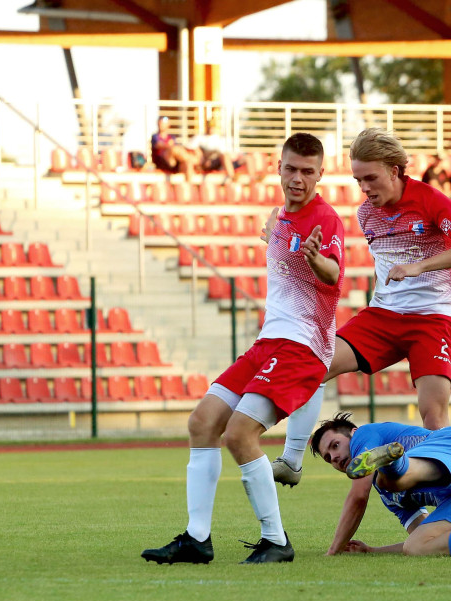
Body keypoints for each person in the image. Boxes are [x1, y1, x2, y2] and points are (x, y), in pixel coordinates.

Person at [267, 127, 451, 549]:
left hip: (432, 319)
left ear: (397, 170)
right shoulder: (366, 214)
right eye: (357, 180)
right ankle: (293, 458)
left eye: (371, 179)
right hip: (383, 316)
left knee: (433, 418)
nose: (364, 189)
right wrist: (275, 225)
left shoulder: (432, 201)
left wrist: (421, 268)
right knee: (314, 365)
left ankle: (444, 507)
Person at [142, 132, 345, 565]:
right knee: (202, 423)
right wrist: (273, 236)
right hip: (268, 342)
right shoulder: (281, 219)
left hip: (301, 347)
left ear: (320, 174)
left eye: (308, 171)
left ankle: (276, 540)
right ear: (278, 167)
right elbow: (284, 247)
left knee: (239, 433)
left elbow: (332, 274)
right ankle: (197, 539)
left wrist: (316, 260)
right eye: (291, 168)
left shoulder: (324, 220)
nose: (298, 178)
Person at [310, 413, 451, 557]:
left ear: (353, 433)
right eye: (328, 458)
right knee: (418, 546)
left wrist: (334, 549)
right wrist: (371, 551)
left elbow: (359, 495)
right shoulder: (389, 497)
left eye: (335, 445)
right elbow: (420, 533)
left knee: (385, 481)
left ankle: (395, 462)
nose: (335, 457)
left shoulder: (364, 433)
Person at [150, 116, 195, 183]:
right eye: (160, 123)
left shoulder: (171, 137)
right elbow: (159, 145)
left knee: (187, 164)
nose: (161, 125)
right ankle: (192, 159)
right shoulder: (155, 137)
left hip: (173, 162)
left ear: (168, 125)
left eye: (163, 123)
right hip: (163, 162)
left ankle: (189, 187)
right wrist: (169, 146)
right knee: (174, 149)